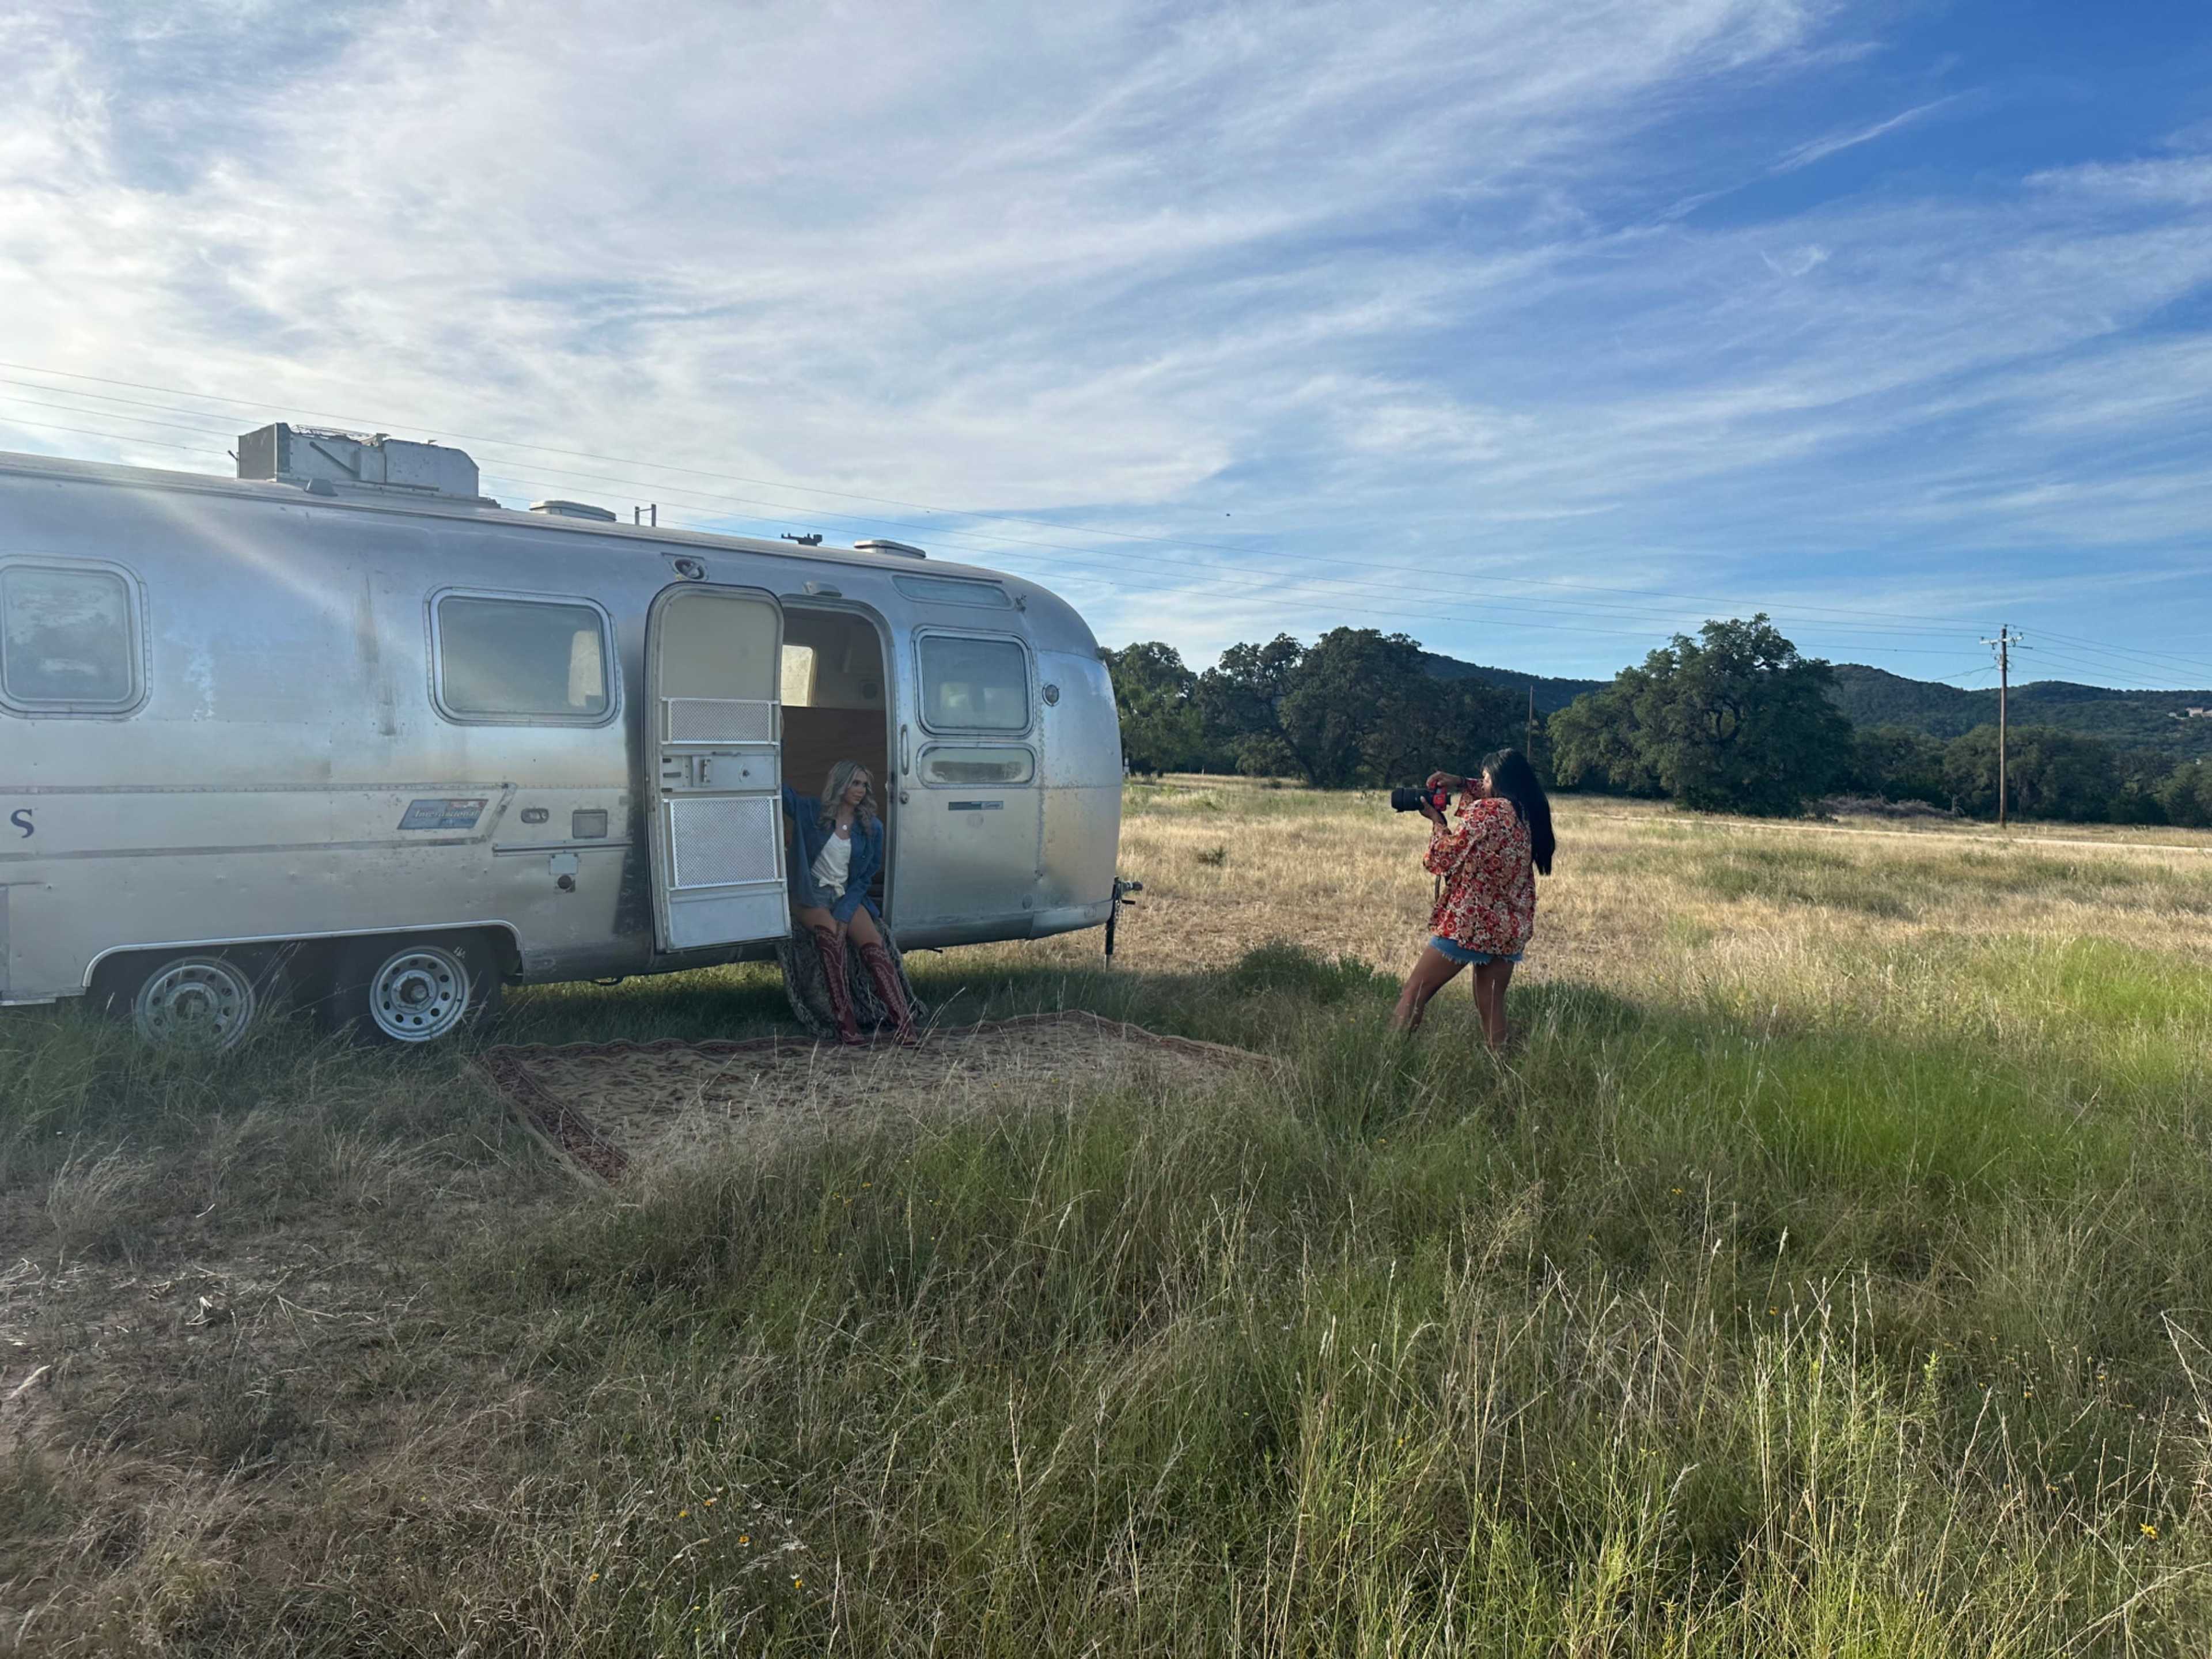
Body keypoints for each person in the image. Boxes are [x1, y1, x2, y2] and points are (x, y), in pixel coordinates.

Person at [1389, 747, 1555, 1047]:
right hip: (1508, 927)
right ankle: (1502, 1072)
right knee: (1492, 1007)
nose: (1483, 783)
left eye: (1485, 777)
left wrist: (1437, 821)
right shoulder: (1529, 812)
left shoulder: (1486, 812)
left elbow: (1440, 859)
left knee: (1414, 992)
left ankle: (1389, 1057)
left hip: (1469, 925)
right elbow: (1492, 793)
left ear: (1498, 780)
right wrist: (1459, 782)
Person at [782, 759, 917, 1046]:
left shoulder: (872, 828)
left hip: (846, 894)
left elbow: (865, 876)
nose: (861, 790)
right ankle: (847, 1024)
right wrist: (777, 743)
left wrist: (846, 913)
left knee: (873, 945)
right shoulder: (810, 812)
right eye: (855, 783)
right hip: (810, 894)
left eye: (865, 785)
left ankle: (903, 1024)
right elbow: (781, 791)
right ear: (840, 783)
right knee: (831, 934)